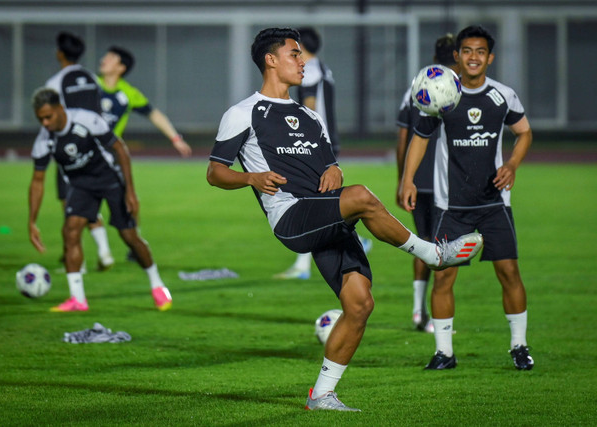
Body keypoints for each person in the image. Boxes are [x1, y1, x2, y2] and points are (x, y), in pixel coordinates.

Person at [206, 27, 483, 412]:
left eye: (301, 54)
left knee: (359, 304)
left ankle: (321, 395)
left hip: (325, 216)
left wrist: (334, 167)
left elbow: (327, 166)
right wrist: (250, 177)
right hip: (290, 215)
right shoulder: (243, 113)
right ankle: (434, 255)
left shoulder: (309, 117)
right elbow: (215, 172)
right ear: (271, 60)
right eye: (294, 54)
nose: (303, 61)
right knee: (362, 196)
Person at [400, 25, 534, 370]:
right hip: (452, 206)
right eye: (467, 51)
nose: (473, 57)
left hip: (494, 204)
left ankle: (519, 346)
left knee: (509, 273)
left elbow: (524, 132)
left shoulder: (503, 95)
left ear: (490, 57)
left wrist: (514, 164)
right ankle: (444, 352)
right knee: (443, 276)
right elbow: (419, 138)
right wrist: (408, 179)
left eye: (480, 52)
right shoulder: (443, 93)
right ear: (457, 56)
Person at [28, 88, 172, 312]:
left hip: (109, 178)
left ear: (59, 109)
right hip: (80, 185)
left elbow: (120, 149)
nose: (45, 123)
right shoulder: (44, 140)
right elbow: (37, 181)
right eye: (40, 119)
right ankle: (78, 299)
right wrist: (32, 221)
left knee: (129, 236)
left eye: (48, 117)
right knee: (71, 231)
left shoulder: (87, 120)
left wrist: (130, 192)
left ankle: (158, 286)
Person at [273, 26, 372, 281]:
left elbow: (309, 107)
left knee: (309, 200)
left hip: (315, 143)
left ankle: (306, 264)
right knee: (317, 199)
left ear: (301, 47)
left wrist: (299, 139)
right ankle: (310, 261)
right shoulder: (324, 68)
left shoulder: (308, 71)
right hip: (329, 140)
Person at [97, 45, 192, 261]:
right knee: (79, 202)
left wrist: (175, 138)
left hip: (112, 156)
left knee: (129, 201)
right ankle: (84, 252)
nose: (103, 59)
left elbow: (154, 114)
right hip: (85, 154)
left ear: (120, 67)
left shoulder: (128, 93)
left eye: (110, 57)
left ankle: (134, 244)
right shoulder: (90, 85)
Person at [396, 34, 460, 333]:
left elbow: (403, 137)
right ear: (458, 55)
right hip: (447, 182)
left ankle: (418, 312)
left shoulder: (416, 87)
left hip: (418, 179)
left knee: (422, 244)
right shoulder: (461, 87)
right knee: (443, 248)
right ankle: (436, 319)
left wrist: (402, 178)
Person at [45, 31, 114, 271]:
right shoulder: (92, 78)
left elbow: (53, 120)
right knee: (89, 201)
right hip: (94, 150)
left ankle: (78, 262)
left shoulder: (55, 83)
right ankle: (104, 252)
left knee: (71, 206)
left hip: (70, 151)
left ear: (60, 53)